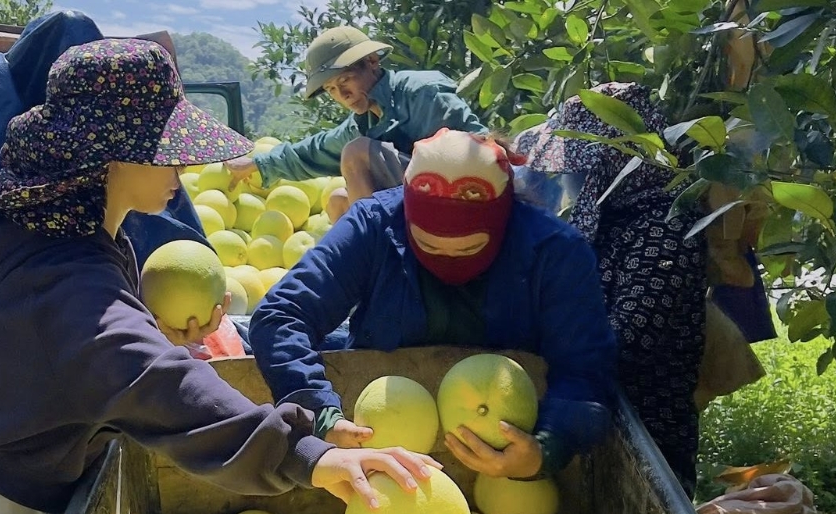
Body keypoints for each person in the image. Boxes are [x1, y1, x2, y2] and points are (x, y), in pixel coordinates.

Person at [0, 39, 435, 514]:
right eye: (165, 148)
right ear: (110, 158)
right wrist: (307, 454)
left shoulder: (69, 233)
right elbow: (148, 377)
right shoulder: (68, 280)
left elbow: (102, 354)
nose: (184, 166)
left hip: (33, 493)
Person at [248, 128, 618, 483]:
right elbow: (282, 315)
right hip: (382, 440)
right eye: (429, 246)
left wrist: (544, 449)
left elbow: (585, 369)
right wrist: (319, 408)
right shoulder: (374, 226)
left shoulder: (555, 253)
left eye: (469, 249)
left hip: (506, 451)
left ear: (503, 219)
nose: (447, 261)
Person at [514, 83, 708, 494]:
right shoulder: (607, 219)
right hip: (580, 422)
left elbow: (622, 345)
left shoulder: (668, 231)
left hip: (645, 434)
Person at [226, 26, 485, 221]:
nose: (343, 96)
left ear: (372, 62)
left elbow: (481, 149)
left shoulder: (421, 93)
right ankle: (367, 277)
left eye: (346, 80)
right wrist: (256, 163)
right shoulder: (363, 122)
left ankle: (376, 254)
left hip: (458, 201)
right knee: (338, 201)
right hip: (414, 206)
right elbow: (315, 150)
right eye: (331, 89)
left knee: (357, 152)